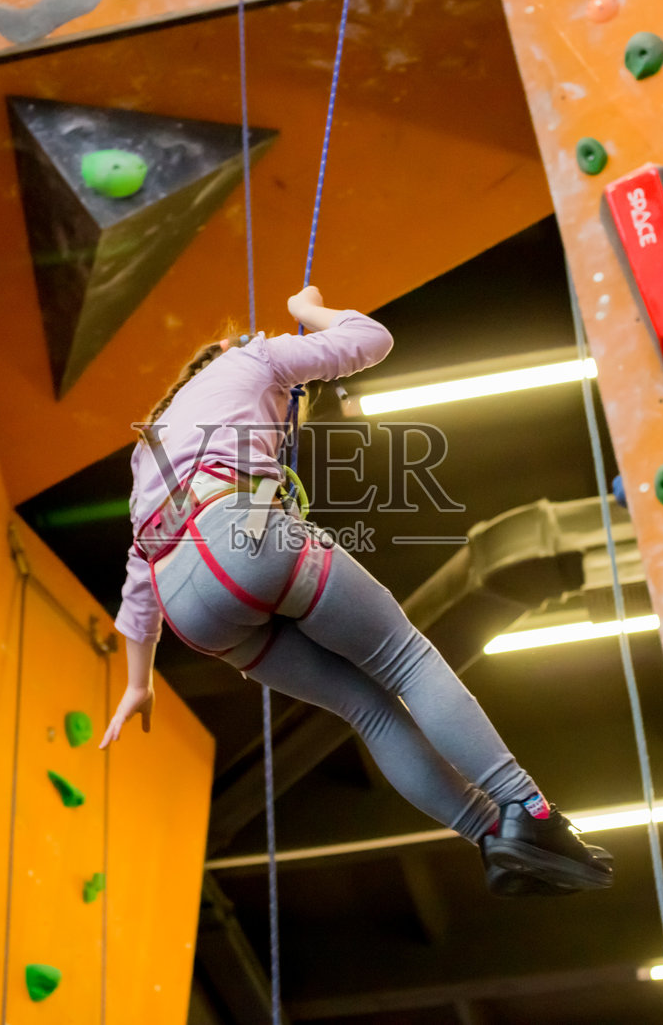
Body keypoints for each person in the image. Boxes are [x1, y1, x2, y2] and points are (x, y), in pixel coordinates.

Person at [98, 286, 613, 896]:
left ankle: (492, 838)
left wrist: (138, 680)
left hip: (190, 608)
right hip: (242, 535)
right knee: (405, 660)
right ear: (225, 349)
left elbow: (139, 578)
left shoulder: (148, 448)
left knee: (365, 708)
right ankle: (528, 811)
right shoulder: (251, 358)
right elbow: (372, 340)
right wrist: (310, 310)